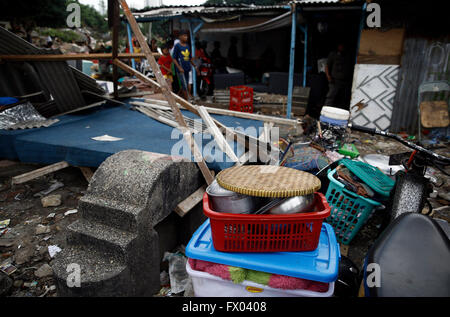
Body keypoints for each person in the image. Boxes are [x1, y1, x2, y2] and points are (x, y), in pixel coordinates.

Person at [324, 42, 353, 109]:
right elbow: (327, 66)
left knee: (344, 98)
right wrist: (328, 77)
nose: (342, 47)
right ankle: (326, 111)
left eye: (343, 46)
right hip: (334, 80)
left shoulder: (348, 55)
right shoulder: (333, 54)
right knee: (331, 96)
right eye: (340, 46)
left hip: (345, 81)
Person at [172, 30, 199, 100]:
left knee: (186, 84)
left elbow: (189, 58)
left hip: (187, 68)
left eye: (186, 36)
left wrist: (195, 66)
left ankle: (183, 99)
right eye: (184, 36)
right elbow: (174, 59)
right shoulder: (177, 46)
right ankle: (187, 101)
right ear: (180, 37)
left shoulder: (187, 46)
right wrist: (179, 67)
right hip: (181, 69)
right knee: (184, 85)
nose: (186, 37)